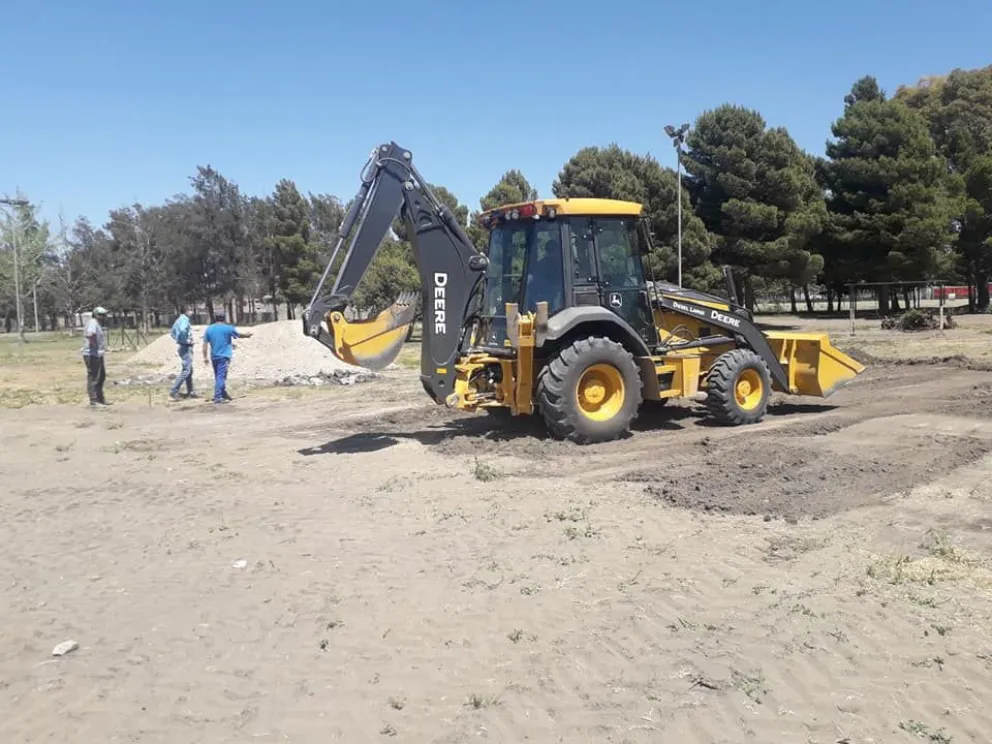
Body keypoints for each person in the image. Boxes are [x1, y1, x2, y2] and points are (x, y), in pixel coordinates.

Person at [201, 310, 252, 404]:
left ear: (215, 318)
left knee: (218, 376)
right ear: (224, 318)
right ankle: (218, 397)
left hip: (214, 356)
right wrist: (247, 335)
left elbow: (205, 344)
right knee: (221, 377)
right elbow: (238, 335)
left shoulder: (209, 329)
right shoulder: (228, 328)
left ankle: (223, 393)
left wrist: (205, 357)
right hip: (224, 356)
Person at [81, 306, 110, 407]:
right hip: (92, 354)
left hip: (97, 354)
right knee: (94, 377)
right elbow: (90, 334)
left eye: (104, 315)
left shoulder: (97, 323)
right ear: (96, 315)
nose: (103, 317)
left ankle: (100, 399)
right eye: (101, 315)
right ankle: (94, 401)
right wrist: (94, 346)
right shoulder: (93, 322)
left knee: (101, 376)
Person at [168, 305, 198, 401]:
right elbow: (182, 330)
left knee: (189, 370)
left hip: (182, 346)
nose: (192, 312)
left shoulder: (179, 320)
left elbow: (172, 332)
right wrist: (186, 340)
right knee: (186, 371)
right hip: (186, 347)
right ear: (187, 311)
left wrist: (178, 340)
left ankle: (190, 391)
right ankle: (174, 390)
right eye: (191, 310)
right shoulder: (184, 320)